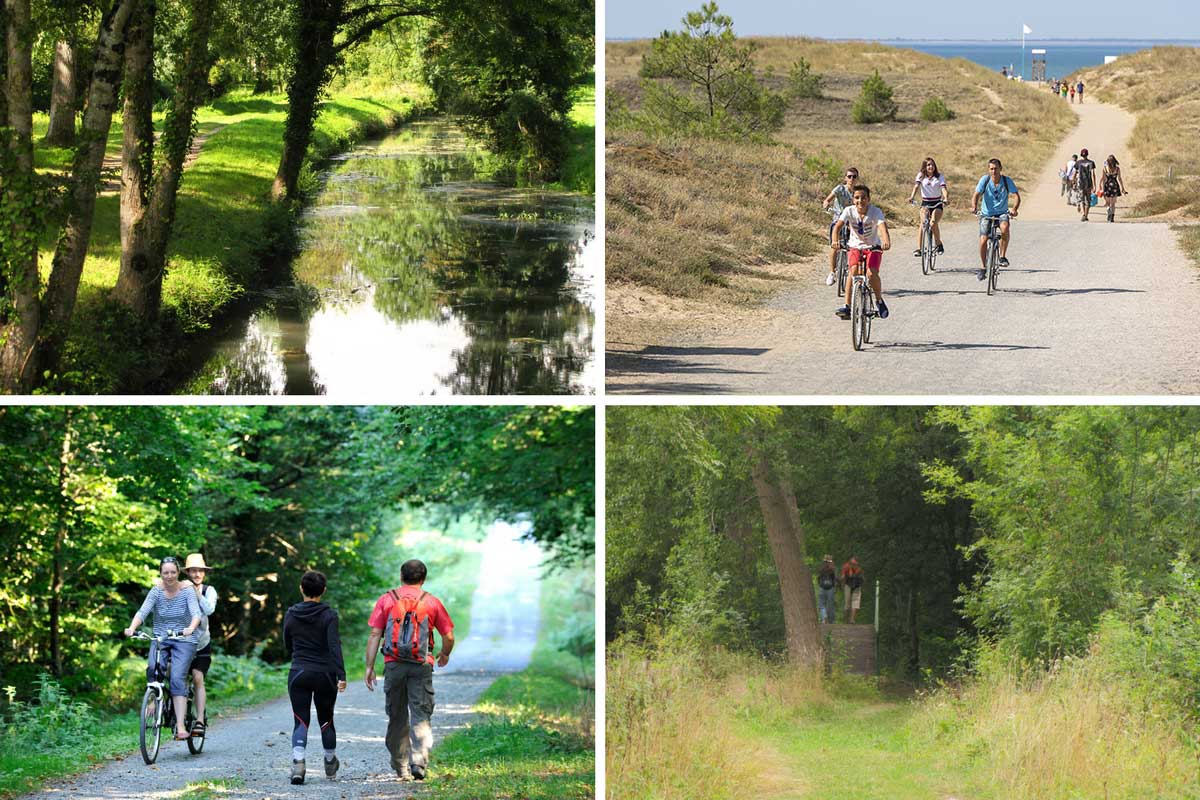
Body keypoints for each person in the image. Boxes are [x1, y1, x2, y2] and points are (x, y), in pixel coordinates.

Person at [365, 559, 455, 782]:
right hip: (421, 664)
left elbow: (375, 634)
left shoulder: (387, 600)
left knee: (396, 715)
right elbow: (448, 636)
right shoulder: (431, 602)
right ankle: (419, 761)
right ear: (423, 579)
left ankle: (400, 765)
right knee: (420, 713)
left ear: (401, 576)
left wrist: (369, 666)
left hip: (393, 663)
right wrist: (445, 654)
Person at [124, 556, 201, 741]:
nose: (169, 576)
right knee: (153, 668)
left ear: (178, 572)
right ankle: (153, 698)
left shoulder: (187, 590)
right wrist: (132, 628)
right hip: (161, 638)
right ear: (160, 573)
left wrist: (191, 627)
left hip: (184, 639)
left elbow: (196, 613)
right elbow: (143, 611)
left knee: (176, 677)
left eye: (173, 572)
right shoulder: (156, 591)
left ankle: (181, 726)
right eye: (165, 572)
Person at [284, 570, 347, 785]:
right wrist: (341, 674)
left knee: (300, 719)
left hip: (299, 672)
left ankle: (298, 764)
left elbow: (287, 643)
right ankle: (330, 763)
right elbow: (334, 646)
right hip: (325, 674)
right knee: (326, 719)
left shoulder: (291, 614)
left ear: (301, 588)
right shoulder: (330, 615)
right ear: (323, 591)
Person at [832, 184, 891, 321]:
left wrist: (886, 241)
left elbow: (882, 227)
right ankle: (847, 305)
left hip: (873, 247)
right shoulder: (849, 211)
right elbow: (837, 228)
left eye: (863, 198)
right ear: (853, 200)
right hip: (855, 247)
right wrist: (835, 241)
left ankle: (879, 301)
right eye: (857, 198)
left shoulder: (875, 212)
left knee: (871, 273)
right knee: (853, 272)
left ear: (868, 199)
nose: (860, 201)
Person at [183, 554, 217, 738]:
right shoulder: (180, 588)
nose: (197, 574)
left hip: (201, 644)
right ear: (187, 572)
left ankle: (200, 721)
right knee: (173, 674)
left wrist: (195, 593)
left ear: (204, 573)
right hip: (181, 643)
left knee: (197, 678)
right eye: (193, 570)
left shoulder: (208, 591)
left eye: (200, 571)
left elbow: (209, 609)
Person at [972, 158, 1021, 279]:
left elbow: (1016, 196)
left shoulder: (1006, 180)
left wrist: (1014, 208)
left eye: (996, 168)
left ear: (1001, 169)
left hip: (1002, 213)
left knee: (1005, 227)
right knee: (983, 239)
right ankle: (983, 267)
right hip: (986, 214)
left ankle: (1002, 256)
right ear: (989, 170)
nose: (994, 171)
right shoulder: (985, 180)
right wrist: (973, 206)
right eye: (991, 169)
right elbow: (976, 194)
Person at [822, 166, 858, 285]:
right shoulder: (840, 189)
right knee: (834, 246)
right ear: (845, 178)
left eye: (854, 177)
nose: (851, 179)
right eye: (849, 176)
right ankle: (832, 272)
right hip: (838, 219)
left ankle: (852, 269)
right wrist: (826, 203)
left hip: (851, 222)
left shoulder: (857, 192)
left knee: (854, 246)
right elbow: (828, 199)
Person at [908, 156, 948, 257]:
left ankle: (939, 244)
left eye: (932, 165)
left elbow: (943, 189)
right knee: (922, 223)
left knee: (933, 222)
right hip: (925, 203)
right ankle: (919, 249)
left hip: (937, 203)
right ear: (925, 167)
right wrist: (912, 197)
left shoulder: (939, 177)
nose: (931, 167)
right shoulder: (921, 176)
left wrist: (945, 198)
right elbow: (916, 186)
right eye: (928, 165)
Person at [1101, 154, 1128, 223]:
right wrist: (1122, 188)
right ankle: (1112, 216)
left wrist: (1102, 188)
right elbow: (1119, 178)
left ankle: (1109, 213)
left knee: (1108, 202)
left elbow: (1104, 179)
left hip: (1107, 186)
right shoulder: (1117, 169)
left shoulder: (1105, 168)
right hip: (1115, 186)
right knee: (1113, 203)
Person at [1074, 148, 1097, 221]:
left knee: (1083, 200)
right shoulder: (1091, 163)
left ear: (1081, 154)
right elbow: (1093, 174)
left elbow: (1075, 173)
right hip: (1088, 183)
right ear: (1087, 154)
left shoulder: (1078, 163)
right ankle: (1085, 215)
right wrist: (1094, 185)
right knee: (1088, 200)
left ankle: (1084, 214)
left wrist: (1073, 181)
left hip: (1081, 183)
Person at [840, 557, 865, 624]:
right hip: (848, 585)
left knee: (855, 603)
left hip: (856, 587)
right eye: (852, 563)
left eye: (854, 564)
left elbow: (862, 578)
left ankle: (852, 619)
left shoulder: (859, 568)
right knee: (847, 603)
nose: (853, 565)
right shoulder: (846, 566)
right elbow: (843, 576)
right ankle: (846, 619)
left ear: (857, 563)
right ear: (849, 563)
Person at [817, 555, 838, 624]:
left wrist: (820, 584)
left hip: (822, 587)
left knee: (821, 604)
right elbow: (836, 578)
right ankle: (831, 621)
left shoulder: (821, 568)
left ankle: (824, 618)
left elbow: (818, 578)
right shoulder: (833, 568)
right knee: (830, 605)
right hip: (831, 588)